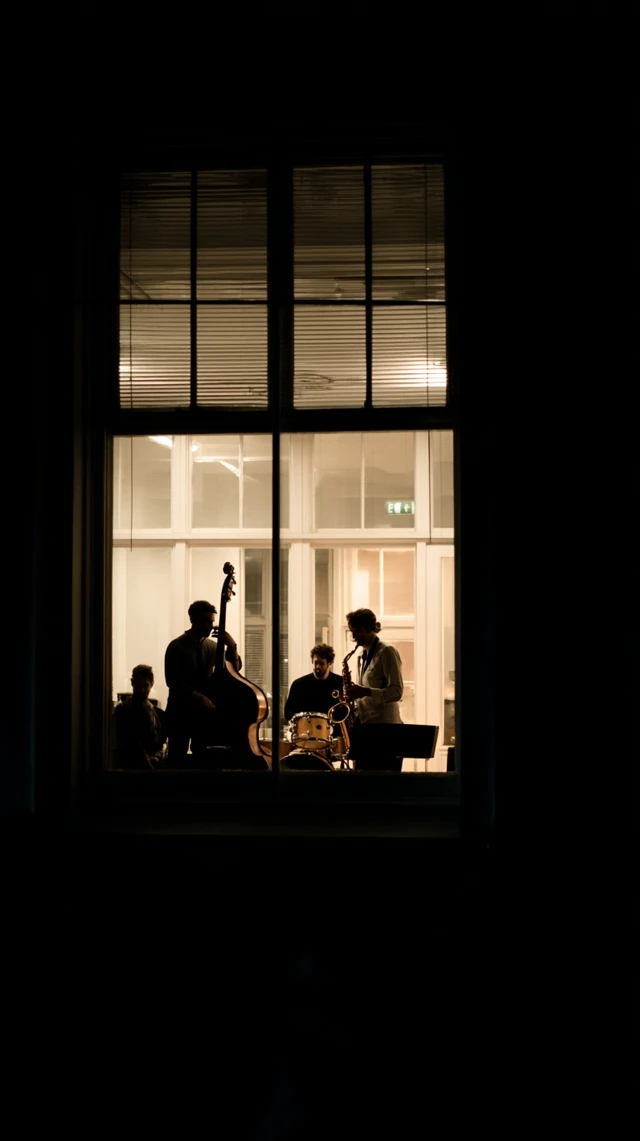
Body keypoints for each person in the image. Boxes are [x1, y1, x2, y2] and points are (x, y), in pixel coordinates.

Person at [164, 599, 242, 763]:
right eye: (206, 621)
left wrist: (231, 645)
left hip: (203, 715)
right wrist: (197, 695)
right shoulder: (177, 646)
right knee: (177, 757)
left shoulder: (212, 646)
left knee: (203, 757)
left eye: (212, 621)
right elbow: (172, 680)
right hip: (180, 711)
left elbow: (235, 669)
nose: (210, 625)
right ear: (193, 620)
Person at [345, 608, 404, 771]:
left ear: (369, 628)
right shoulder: (360, 655)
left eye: (357, 631)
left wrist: (364, 691)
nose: (353, 636)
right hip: (366, 727)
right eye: (351, 631)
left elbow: (397, 692)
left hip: (385, 731)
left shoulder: (387, 652)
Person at [112, 664, 167, 769]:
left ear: (152, 684)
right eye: (138, 686)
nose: (142, 690)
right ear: (132, 683)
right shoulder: (157, 714)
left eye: (145, 686)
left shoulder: (122, 710)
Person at [284, 644, 343, 723]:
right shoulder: (298, 685)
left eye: (322, 663)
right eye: (316, 662)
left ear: (330, 663)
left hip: (334, 733)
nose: (318, 666)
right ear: (312, 661)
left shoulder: (340, 682)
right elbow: (288, 713)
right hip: (306, 732)